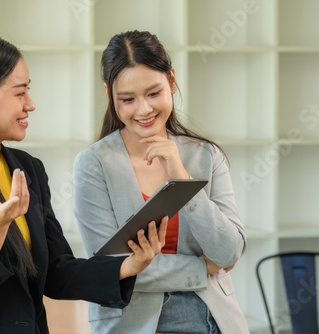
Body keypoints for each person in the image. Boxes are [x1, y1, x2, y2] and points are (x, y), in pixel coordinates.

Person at [0, 33, 168, 334]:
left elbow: (55, 271)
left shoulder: (28, 169)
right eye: (20, 93)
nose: (31, 104)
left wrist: (129, 265)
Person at [73, 30, 249, 334]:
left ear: (172, 81)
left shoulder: (206, 156)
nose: (143, 110)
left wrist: (180, 176)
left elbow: (228, 252)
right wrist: (202, 268)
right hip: (133, 323)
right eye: (127, 99)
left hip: (215, 319)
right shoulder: (93, 165)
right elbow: (113, 268)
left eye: (154, 93)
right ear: (109, 96)